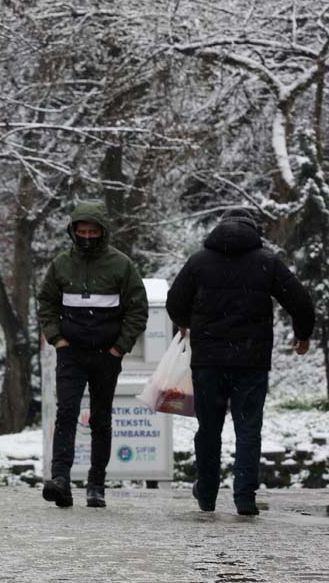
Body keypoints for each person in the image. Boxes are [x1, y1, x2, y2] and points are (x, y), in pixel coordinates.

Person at [166, 207, 314, 516]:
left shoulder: (199, 261)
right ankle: (244, 497)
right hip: (251, 360)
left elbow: (175, 301)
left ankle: (206, 494)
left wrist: (183, 321)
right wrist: (303, 334)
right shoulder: (267, 263)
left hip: (208, 362)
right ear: (253, 231)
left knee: (209, 428)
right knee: (248, 429)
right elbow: (300, 300)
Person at [38, 201, 148, 509]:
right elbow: (46, 302)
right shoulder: (61, 264)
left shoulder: (121, 265)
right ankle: (60, 479)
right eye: (81, 231)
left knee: (101, 418)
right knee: (66, 413)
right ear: (73, 232)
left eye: (93, 231)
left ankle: (96, 483)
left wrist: (118, 348)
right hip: (70, 352)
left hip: (106, 354)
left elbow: (137, 310)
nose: (87, 236)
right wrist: (56, 338)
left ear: (103, 232)